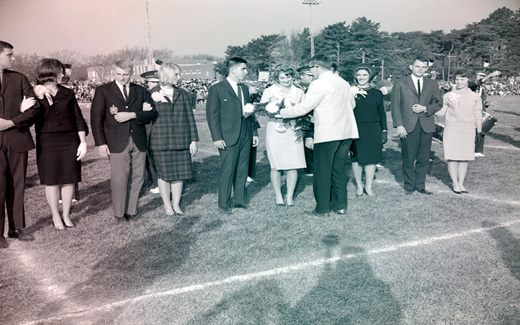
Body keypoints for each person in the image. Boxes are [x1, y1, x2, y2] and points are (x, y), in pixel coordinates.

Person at [280, 55, 358, 215]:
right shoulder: (343, 82)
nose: (311, 73)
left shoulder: (319, 83)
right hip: (346, 132)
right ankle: (340, 206)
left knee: (322, 171)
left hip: (328, 134)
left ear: (316, 67)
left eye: (311, 69)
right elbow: (352, 104)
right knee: (338, 170)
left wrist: (281, 112)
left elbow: (304, 108)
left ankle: (322, 208)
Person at [90, 60, 157, 221]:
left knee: (138, 177)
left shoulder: (140, 91)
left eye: (125, 74)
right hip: (116, 142)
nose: (121, 77)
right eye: (118, 74)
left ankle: (131, 210)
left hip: (139, 140)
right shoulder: (103, 91)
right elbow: (95, 119)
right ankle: (119, 213)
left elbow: (152, 114)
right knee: (119, 179)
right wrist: (101, 143)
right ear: (114, 73)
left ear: (131, 73)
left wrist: (133, 114)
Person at [33, 59, 89, 230]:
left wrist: (83, 142)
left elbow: (78, 119)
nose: (63, 75)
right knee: (51, 180)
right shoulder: (35, 93)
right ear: (51, 73)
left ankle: (65, 214)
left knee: (69, 178)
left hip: (69, 139)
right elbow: (27, 115)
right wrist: (36, 96)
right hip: (47, 141)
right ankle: (56, 216)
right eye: (60, 72)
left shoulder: (68, 93)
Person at [206, 57, 259, 214]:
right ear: (233, 70)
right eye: (243, 69)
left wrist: (254, 132)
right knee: (227, 169)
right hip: (227, 136)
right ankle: (224, 203)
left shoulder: (244, 89)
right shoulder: (217, 89)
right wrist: (217, 137)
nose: (246, 72)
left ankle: (240, 200)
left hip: (245, 133)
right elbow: (212, 116)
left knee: (242, 168)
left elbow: (250, 113)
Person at [0, 41, 39, 248]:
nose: (13, 58)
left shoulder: (19, 78)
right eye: (9, 55)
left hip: (17, 138)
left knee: (17, 186)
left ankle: (17, 229)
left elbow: (34, 109)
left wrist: (11, 121)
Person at [149, 63, 199, 215]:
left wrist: (193, 140)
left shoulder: (183, 94)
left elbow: (190, 118)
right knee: (163, 175)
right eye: (176, 74)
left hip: (181, 140)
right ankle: (167, 205)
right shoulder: (151, 94)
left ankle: (176, 204)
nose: (179, 77)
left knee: (179, 174)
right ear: (167, 75)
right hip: (160, 141)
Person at [391, 56, 443, 195]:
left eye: (423, 67)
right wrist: (399, 125)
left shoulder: (432, 83)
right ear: (411, 67)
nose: (420, 69)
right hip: (408, 125)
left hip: (426, 125)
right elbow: (395, 106)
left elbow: (438, 103)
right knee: (408, 157)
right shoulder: (400, 83)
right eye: (417, 66)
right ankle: (409, 186)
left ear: (427, 69)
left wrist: (425, 108)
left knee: (423, 157)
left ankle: (420, 186)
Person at [260, 65, 306, 206]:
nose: (286, 79)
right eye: (282, 77)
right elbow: (262, 109)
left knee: (293, 163)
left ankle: (290, 196)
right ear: (277, 78)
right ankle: (278, 196)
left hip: (293, 129)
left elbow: (304, 109)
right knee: (276, 165)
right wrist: (272, 110)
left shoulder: (298, 92)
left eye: (288, 76)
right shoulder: (269, 91)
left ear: (293, 76)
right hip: (275, 128)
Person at [436, 70, 482, 194]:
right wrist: (428, 110)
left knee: (464, 157)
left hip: (468, 129)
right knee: (452, 157)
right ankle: (455, 184)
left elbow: (478, 114)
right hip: (452, 129)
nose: (459, 82)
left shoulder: (475, 96)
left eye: (462, 79)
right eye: (457, 79)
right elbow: (441, 112)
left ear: (468, 80)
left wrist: (479, 132)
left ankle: (461, 183)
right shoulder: (448, 95)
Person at [350, 64, 387, 197]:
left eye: (364, 75)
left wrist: (384, 130)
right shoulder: (350, 91)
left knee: (371, 158)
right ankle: (359, 185)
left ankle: (368, 186)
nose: (361, 77)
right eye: (359, 74)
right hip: (356, 127)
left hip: (373, 128)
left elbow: (381, 112)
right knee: (356, 158)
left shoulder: (377, 93)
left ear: (370, 76)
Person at [470, 70, 500, 157]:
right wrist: (491, 75)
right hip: (473, 110)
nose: (482, 77)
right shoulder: (472, 85)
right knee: (473, 130)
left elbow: (482, 101)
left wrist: (489, 104)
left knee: (482, 129)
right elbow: (479, 82)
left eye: (483, 76)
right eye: (480, 76)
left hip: (481, 110)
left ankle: (478, 150)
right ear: (476, 76)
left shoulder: (483, 88)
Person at [141, 70, 160, 194]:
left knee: (151, 159)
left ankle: (155, 183)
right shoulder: (155, 93)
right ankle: (154, 182)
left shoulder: (153, 94)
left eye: (147, 82)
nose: (146, 84)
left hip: (151, 130)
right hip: (151, 130)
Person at [296, 66, 315, 177]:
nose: (311, 78)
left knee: (310, 143)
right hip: (298, 118)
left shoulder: (315, 87)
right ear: (301, 76)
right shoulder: (296, 88)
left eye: (312, 75)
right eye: (309, 75)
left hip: (311, 119)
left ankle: (310, 168)